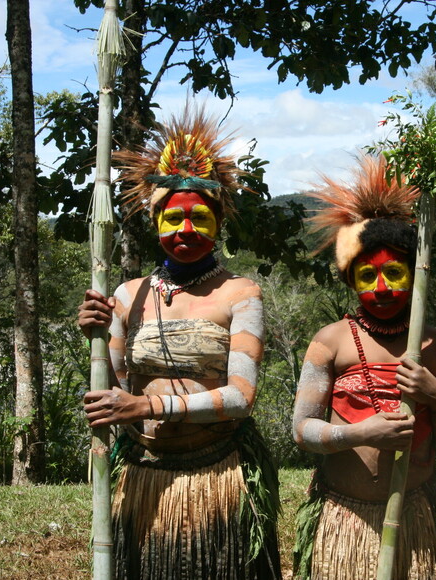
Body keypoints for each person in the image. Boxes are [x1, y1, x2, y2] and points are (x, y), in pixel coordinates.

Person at [77, 107, 280, 579]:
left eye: (198, 218)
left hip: (217, 472)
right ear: (155, 222)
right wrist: (94, 334)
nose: (185, 230)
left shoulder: (241, 293)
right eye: (172, 219)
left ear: (218, 222)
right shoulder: (128, 295)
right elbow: (111, 389)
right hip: (145, 474)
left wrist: (146, 408)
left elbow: (240, 398)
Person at [292, 155, 436, 580]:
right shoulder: (329, 341)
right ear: (351, 280)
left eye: (394, 272)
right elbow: (302, 431)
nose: (383, 287)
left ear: (415, 274)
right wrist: (360, 433)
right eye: (368, 275)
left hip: (416, 515)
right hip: (345, 519)